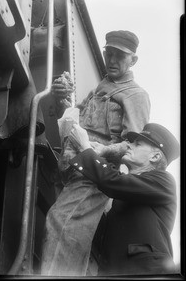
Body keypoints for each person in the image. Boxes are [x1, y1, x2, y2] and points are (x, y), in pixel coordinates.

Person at [41, 30, 151, 276]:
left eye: (119, 56)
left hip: (93, 174)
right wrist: (62, 98)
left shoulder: (136, 95)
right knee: (69, 232)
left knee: (62, 223)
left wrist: (101, 149)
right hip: (73, 169)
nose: (111, 60)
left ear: (133, 60)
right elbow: (72, 120)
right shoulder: (98, 89)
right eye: (108, 53)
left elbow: (134, 146)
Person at [68, 122, 180, 276]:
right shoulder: (129, 191)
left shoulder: (164, 181)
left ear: (155, 156)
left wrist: (85, 148)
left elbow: (112, 180)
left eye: (137, 144)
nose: (129, 146)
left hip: (148, 271)